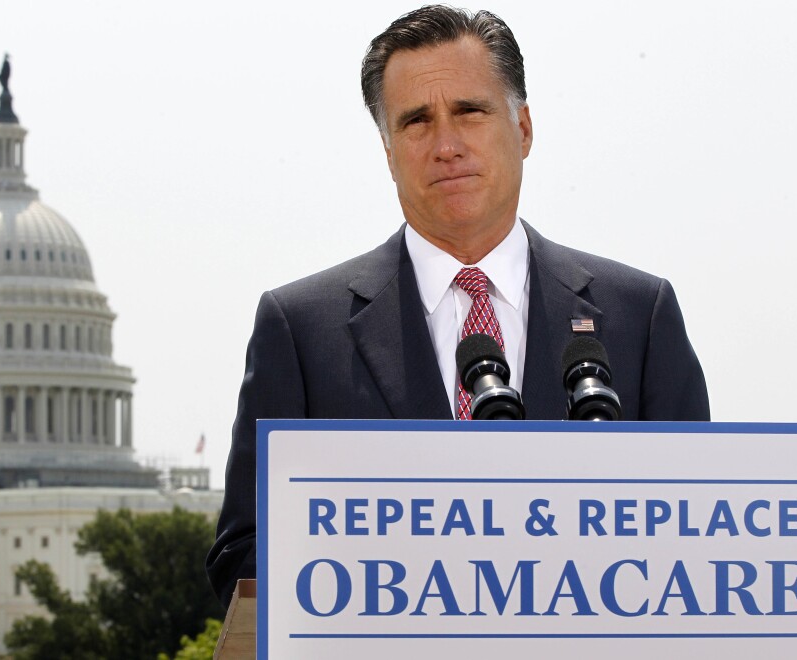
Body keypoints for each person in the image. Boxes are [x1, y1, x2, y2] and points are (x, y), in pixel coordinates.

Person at [206, 5, 709, 607]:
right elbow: (242, 557)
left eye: (469, 112)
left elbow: (696, 532)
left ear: (523, 129)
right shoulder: (301, 330)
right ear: (388, 152)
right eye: (416, 121)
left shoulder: (639, 316)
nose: (445, 145)